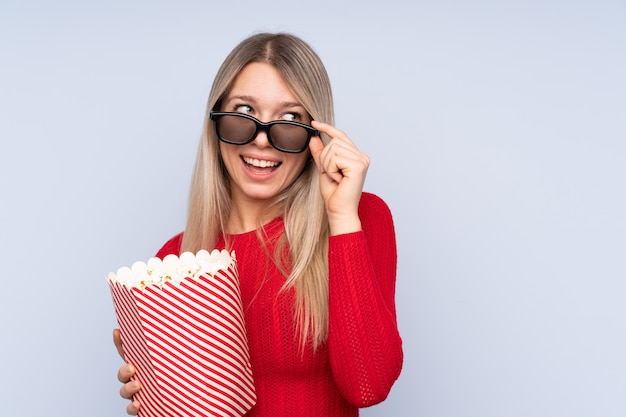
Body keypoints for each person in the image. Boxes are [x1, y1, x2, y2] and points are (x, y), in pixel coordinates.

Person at [113, 32, 403, 416]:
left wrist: (341, 218)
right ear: (216, 126)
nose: (262, 140)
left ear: (316, 137)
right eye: (244, 113)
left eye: (290, 119)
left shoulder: (359, 218)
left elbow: (369, 385)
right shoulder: (173, 263)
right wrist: (154, 399)